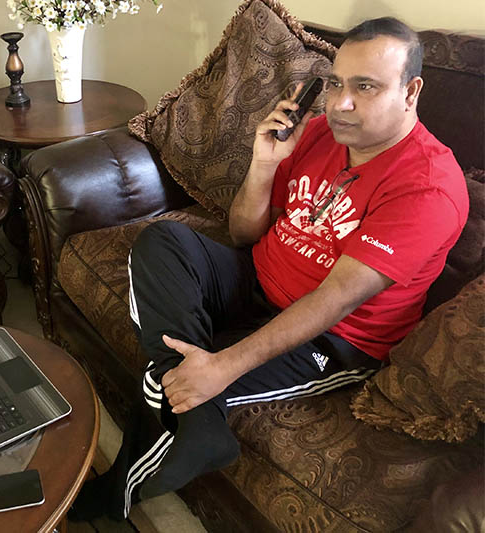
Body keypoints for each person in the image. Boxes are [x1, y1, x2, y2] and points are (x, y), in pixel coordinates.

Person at [69, 16, 469, 522]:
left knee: (166, 388)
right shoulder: (321, 132)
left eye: (365, 87)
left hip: (333, 338)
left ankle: (108, 501)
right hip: (256, 277)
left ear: (411, 91)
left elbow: (335, 300)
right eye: (335, 84)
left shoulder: (428, 186)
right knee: (163, 239)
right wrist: (264, 164)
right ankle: (201, 422)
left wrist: (222, 366)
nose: (340, 103)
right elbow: (242, 235)